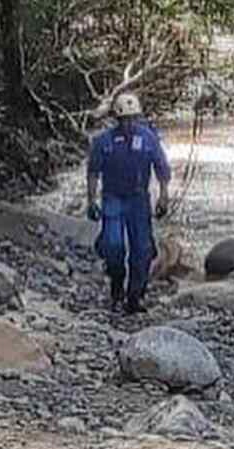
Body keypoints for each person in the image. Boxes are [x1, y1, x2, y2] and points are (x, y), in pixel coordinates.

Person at [86, 92, 171, 314]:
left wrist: (163, 195)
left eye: (133, 118)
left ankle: (136, 296)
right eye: (125, 119)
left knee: (141, 250)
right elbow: (93, 172)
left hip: (138, 200)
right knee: (113, 246)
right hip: (113, 199)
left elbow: (161, 167)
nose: (130, 124)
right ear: (117, 119)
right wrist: (91, 200)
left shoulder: (148, 138)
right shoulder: (103, 142)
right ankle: (116, 286)